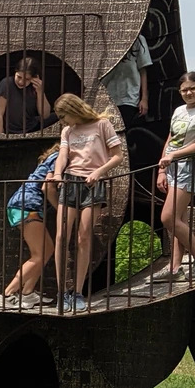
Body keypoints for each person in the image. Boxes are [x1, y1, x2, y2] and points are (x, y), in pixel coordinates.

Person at [46, 94, 122, 312]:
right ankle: (62, 292)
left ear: (74, 109)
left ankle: (77, 292)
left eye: (63, 115)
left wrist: (99, 172)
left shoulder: (102, 125)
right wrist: (58, 173)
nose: (62, 120)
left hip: (92, 183)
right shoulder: (67, 131)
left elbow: (117, 156)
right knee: (61, 235)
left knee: (84, 236)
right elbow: (62, 155)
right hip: (70, 181)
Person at [156, 73, 195, 282]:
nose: (188, 93)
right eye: (184, 90)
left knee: (168, 217)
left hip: (190, 167)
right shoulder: (179, 110)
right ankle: (175, 268)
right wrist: (163, 168)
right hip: (173, 167)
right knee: (178, 220)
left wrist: (173, 155)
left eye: (192, 88)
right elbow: (171, 138)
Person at [0, 144, 59, 310]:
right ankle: (8, 294)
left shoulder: (52, 158)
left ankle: (27, 293)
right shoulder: (59, 157)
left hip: (25, 204)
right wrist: (61, 211)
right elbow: (47, 187)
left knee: (47, 250)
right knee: (38, 254)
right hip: (28, 205)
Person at [100, 34, 153, 130]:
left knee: (124, 131)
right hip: (106, 95)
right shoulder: (105, 37)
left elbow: (143, 69)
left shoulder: (138, 38)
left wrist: (144, 98)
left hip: (129, 95)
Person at [0, 55, 55, 134]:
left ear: (35, 77)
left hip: (32, 127)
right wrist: (0, 136)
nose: (21, 82)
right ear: (15, 72)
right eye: (19, 77)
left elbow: (45, 115)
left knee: (58, 116)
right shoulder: (6, 84)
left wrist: (40, 91)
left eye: (27, 79)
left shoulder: (35, 86)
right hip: (11, 131)